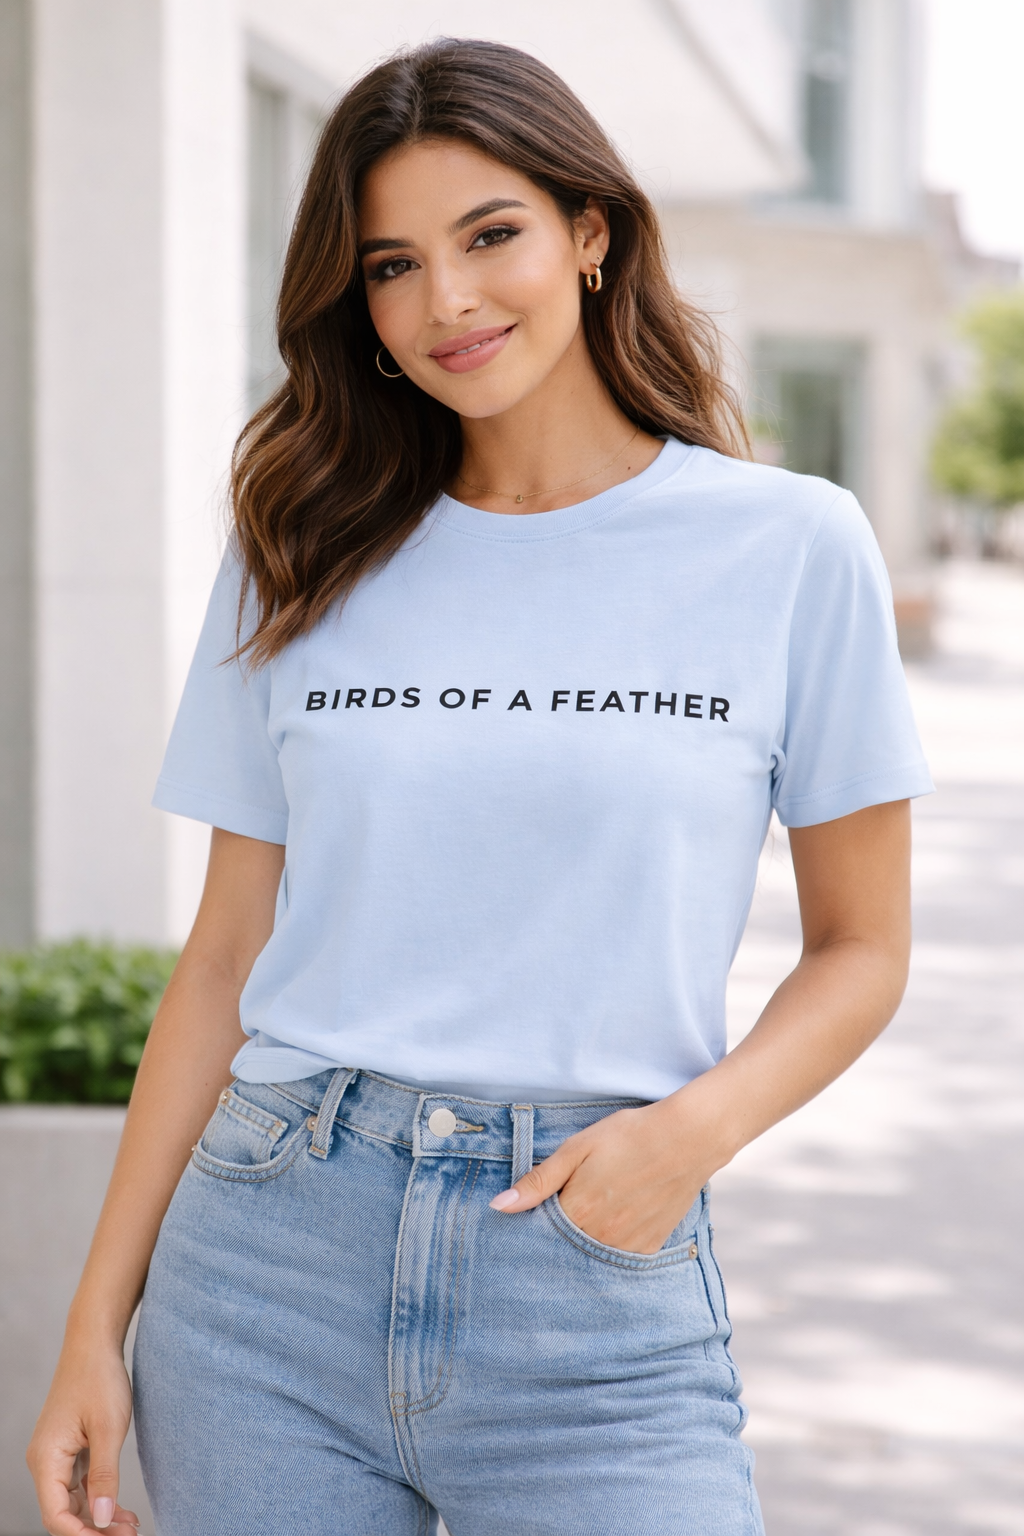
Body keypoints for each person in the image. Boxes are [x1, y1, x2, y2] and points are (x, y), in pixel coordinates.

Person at [28, 38, 932, 1536]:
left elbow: (864, 948)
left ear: (591, 235)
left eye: (490, 235)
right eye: (392, 263)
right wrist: (90, 1326)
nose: (446, 301)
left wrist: (680, 1143)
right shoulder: (301, 542)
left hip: (591, 1272)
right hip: (266, 1266)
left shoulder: (787, 548)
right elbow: (226, 958)